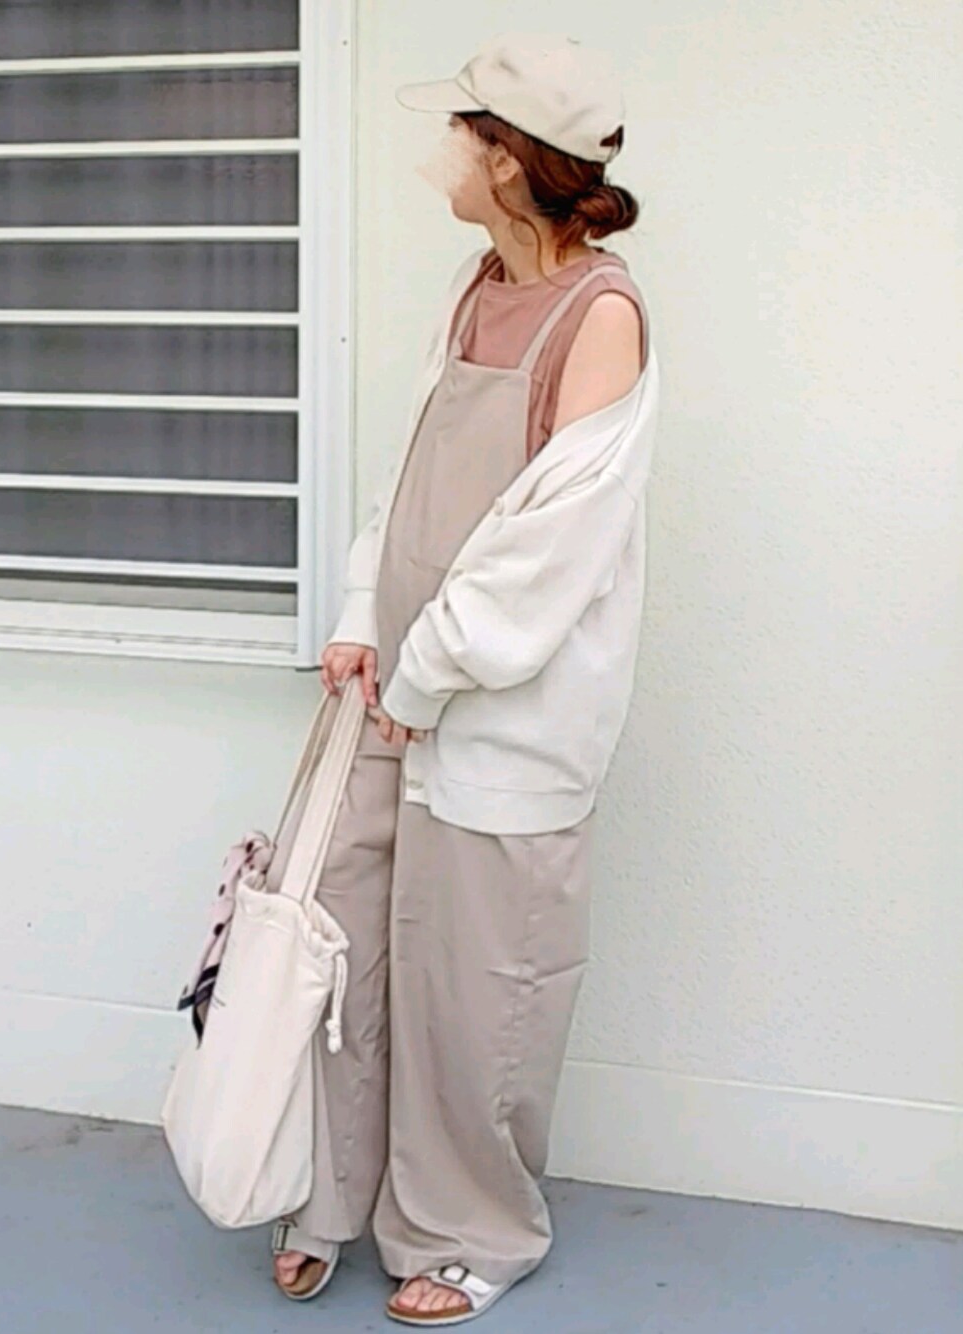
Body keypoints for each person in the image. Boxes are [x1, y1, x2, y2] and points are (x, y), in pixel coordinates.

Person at [270, 30, 659, 1327]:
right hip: (392, 690)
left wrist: (426, 675)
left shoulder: (602, 316)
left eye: (461, 129)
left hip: (494, 719)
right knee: (346, 955)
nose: (440, 148)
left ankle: (470, 1232)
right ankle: (324, 1195)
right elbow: (414, 472)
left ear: (507, 159)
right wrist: (360, 614)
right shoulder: (475, 282)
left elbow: (547, 551)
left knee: (478, 984)